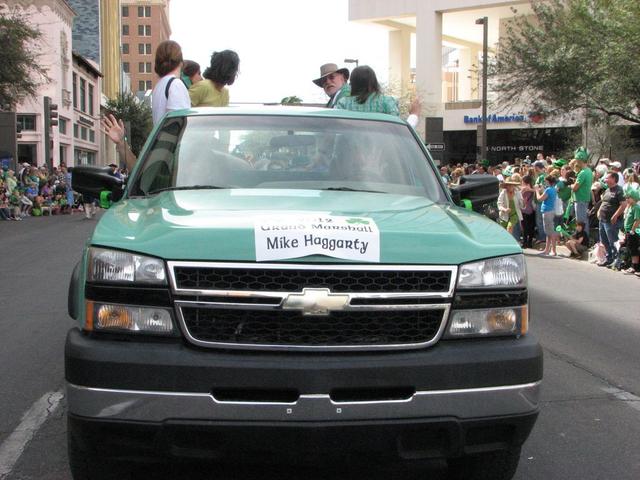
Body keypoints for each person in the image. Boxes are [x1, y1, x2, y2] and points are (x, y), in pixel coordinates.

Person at [151, 40, 191, 126]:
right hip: (172, 139)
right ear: (181, 62)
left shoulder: (159, 84)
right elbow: (178, 122)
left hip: (161, 137)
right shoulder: (176, 84)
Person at [596, 172, 625, 267]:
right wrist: (599, 211)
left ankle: (617, 260)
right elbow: (604, 202)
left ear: (613, 179)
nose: (605, 180)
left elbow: (623, 205)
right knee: (604, 240)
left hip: (611, 221)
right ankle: (609, 258)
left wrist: (615, 215)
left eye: (607, 178)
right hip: (603, 219)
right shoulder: (607, 190)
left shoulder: (619, 190)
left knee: (612, 240)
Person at [571, 147, 593, 233]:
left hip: (580, 199)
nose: (576, 162)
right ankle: (584, 240)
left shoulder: (582, 172)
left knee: (580, 222)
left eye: (576, 160)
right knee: (584, 221)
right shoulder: (589, 171)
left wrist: (570, 185)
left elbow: (575, 187)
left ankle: (582, 241)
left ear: (580, 160)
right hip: (585, 198)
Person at [536, 175, 559, 255]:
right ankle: (547, 249)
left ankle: (553, 250)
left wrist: (536, 191)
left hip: (547, 212)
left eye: (546, 181)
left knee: (551, 232)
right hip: (550, 211)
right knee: (548, 232)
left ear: (549, 182)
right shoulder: (553, 189)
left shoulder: (549, 190)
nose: (545, 182)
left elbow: (539, 199)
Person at [497, 173, 524, 240]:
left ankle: (510, 242)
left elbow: (522, 205)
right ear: (506, 186)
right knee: (503, 231)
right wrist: (504, 209)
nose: (510, 187)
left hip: (514, 214)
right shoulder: (503, 192)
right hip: (504, 215)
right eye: (508, 185)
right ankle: (505, 243)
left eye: (512, 185)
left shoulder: (518, 192)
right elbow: (499, 204)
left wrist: (523, 202)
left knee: (510, 227)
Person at [621, 188, 640, 275]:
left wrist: (632, 231)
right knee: (631, 249)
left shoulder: (636, 207)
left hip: (633, 232)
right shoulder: (630, 207)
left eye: (629, 197)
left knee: (633, 249)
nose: (627, 199)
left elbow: (637, 220)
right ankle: (632, 266)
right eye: (626, 197)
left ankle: (634, 267)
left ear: (634, 198)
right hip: (628, 231)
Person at [520, 174, 536, 248]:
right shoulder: (533, 189)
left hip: (524, 210)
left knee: (524, 228)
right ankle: (530, 243)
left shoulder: (523, 189)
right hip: (532, 210)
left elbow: (519, 198)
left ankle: (524, 242)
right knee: (531, 227)